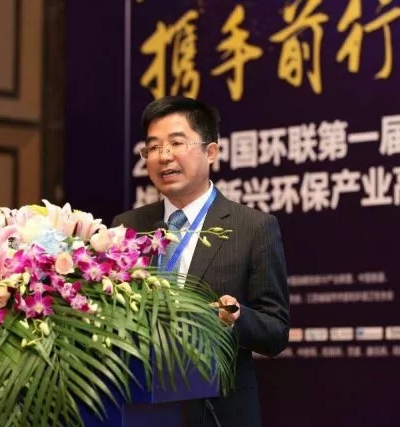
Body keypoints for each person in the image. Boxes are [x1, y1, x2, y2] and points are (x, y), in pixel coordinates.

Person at [111, 96, 290, 427]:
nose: (164, 156)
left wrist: (235, 318)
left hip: (218, 410)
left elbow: (275, 331)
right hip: (139, 406)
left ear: (211, 152)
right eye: (153, 147)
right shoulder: (127, 226)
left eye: (176, 143)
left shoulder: (252, 227)